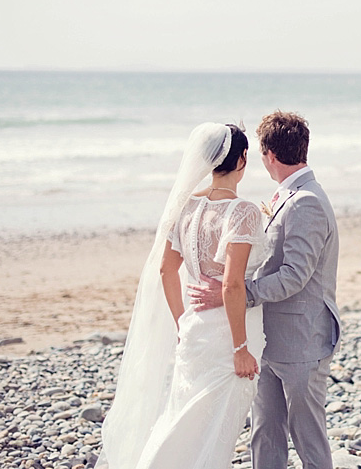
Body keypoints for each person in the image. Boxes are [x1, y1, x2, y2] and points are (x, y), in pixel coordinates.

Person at [96, 123, 268, 469]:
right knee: (211, 432)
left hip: (194, 330)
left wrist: (181, 323)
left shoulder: (187, 206)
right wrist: (240, 348)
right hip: (227, 339)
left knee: (183, 420)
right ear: (243, 159)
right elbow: (231, 285)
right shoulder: (244, 212)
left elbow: (165, 270)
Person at [189, 111, 341, 469]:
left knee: (307, 436)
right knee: (265, 431)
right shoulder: (286, 195)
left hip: (302, 339)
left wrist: (238, 292)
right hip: (269, 336)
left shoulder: (307, 201)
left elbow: (294, 276)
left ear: (269, 155)